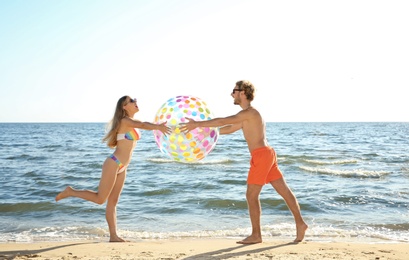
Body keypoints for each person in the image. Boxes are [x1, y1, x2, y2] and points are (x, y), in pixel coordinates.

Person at [180, 80, 308, 244]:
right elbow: (227, 128)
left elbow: (223, 121)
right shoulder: (246, 116)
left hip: (262, 155)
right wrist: (206, 133)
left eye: (234, 91)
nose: (231, 94)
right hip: (266, 154)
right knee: (284, 191)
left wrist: (197, 124)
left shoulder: (250, 113)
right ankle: (300, 223)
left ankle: (256, 235)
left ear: (243, 92)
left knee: (251, 195)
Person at [55, 95, 171, 242]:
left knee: (113, 202)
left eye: (135, 100)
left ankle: (113, 236)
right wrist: (158, 126)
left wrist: (157, 127)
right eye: (131, 101)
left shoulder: (131, 122)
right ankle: (70, 191)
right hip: (113, 163)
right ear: (124, 107)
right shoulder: (125, 121)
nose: (135, 102)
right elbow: (143, 125)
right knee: (100, 199)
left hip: (123, 167)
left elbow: (141, 125)